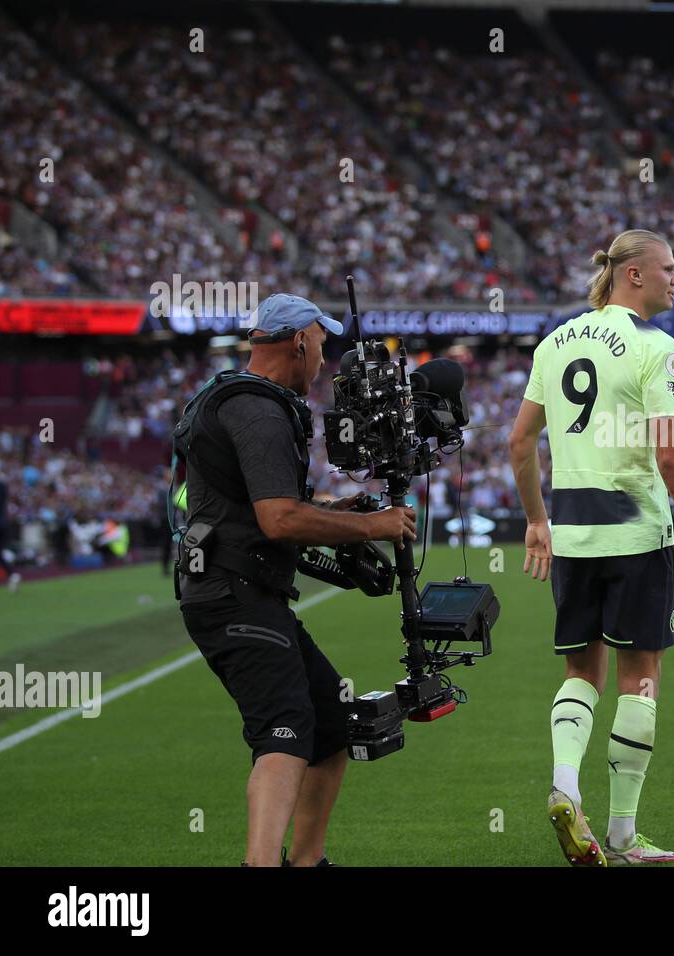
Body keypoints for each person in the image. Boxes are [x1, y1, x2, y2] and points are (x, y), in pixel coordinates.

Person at [175, 293, 417, 866]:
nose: (324, 359)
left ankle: (306, 861)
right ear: (300, 341)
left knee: (333, 725)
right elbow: (278, 518)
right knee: (284, 729)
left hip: (241, 588)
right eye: (321, 344)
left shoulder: (238, 397)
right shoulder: (259, 410)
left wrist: (347, 512)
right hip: (234, 594)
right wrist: (374, 525)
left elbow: (268, 509)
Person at [509, 229, 674, 866]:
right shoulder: (655, 346)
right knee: (642, 679)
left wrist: (536, 521)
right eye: (669, 269)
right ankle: (625, 835)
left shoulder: (554, 342)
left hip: (572, 535)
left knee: (580, 673)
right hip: (634, 532)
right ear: (633, 275)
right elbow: (673, 454)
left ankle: (564, 788)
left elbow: (520, 445)